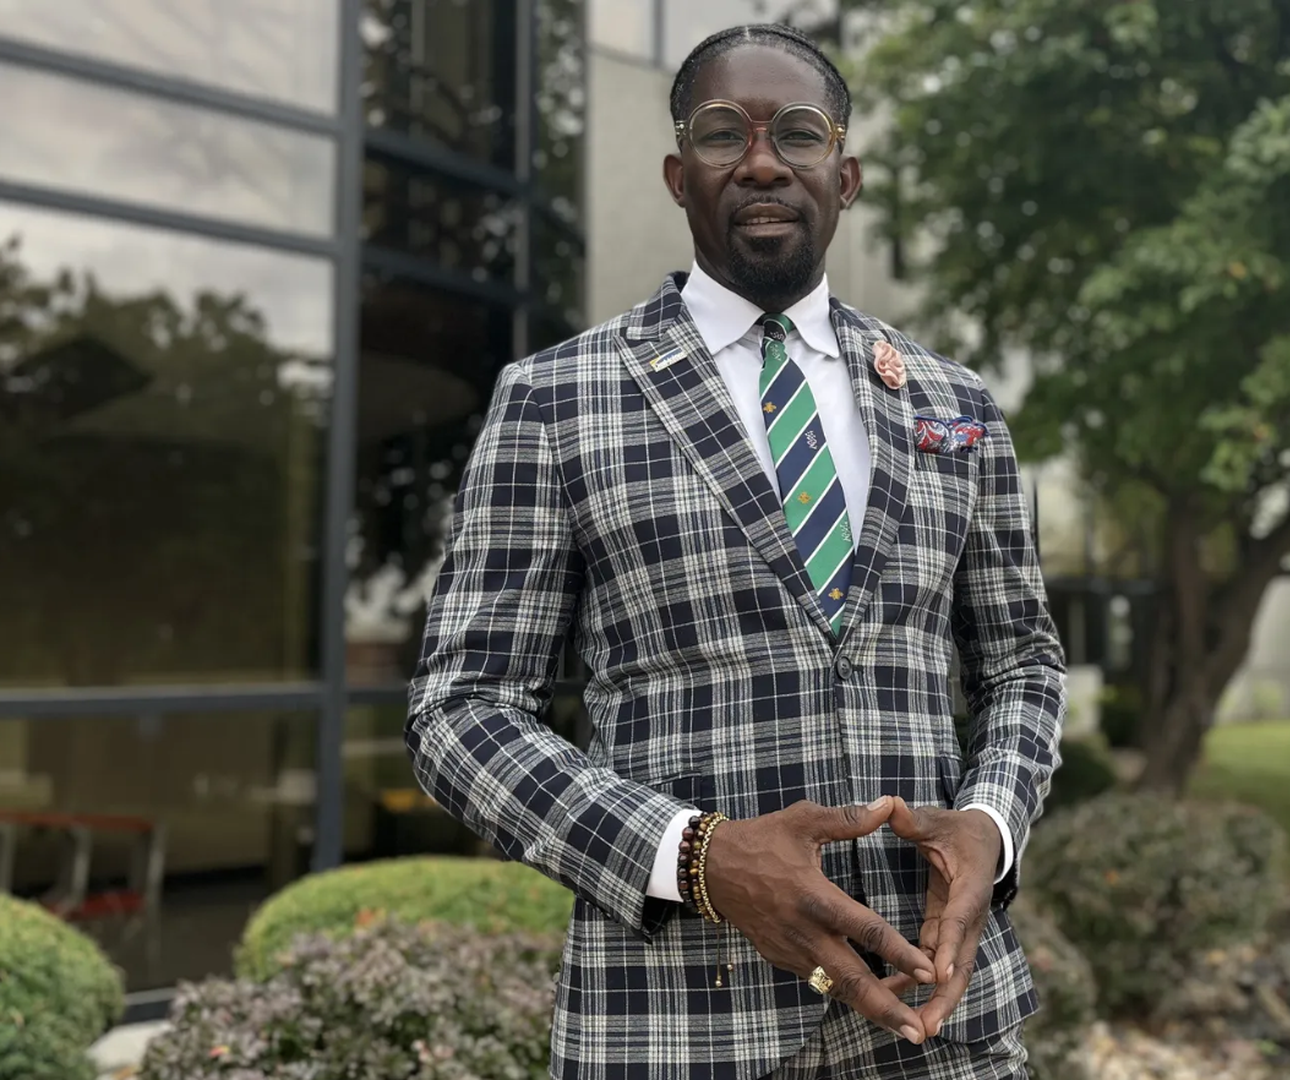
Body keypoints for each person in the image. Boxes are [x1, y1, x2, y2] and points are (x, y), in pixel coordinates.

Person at [404, 21, 1066, 1080]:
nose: (761, 160)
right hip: (679, 1031)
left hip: (943, 1023)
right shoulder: (555, 401)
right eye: (724, 133)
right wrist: (697, 858)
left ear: (844, 175)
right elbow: (460, 713)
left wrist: (993, 822)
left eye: (797, 134)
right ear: (678, 175)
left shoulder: (956, 404)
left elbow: (1025, 662)